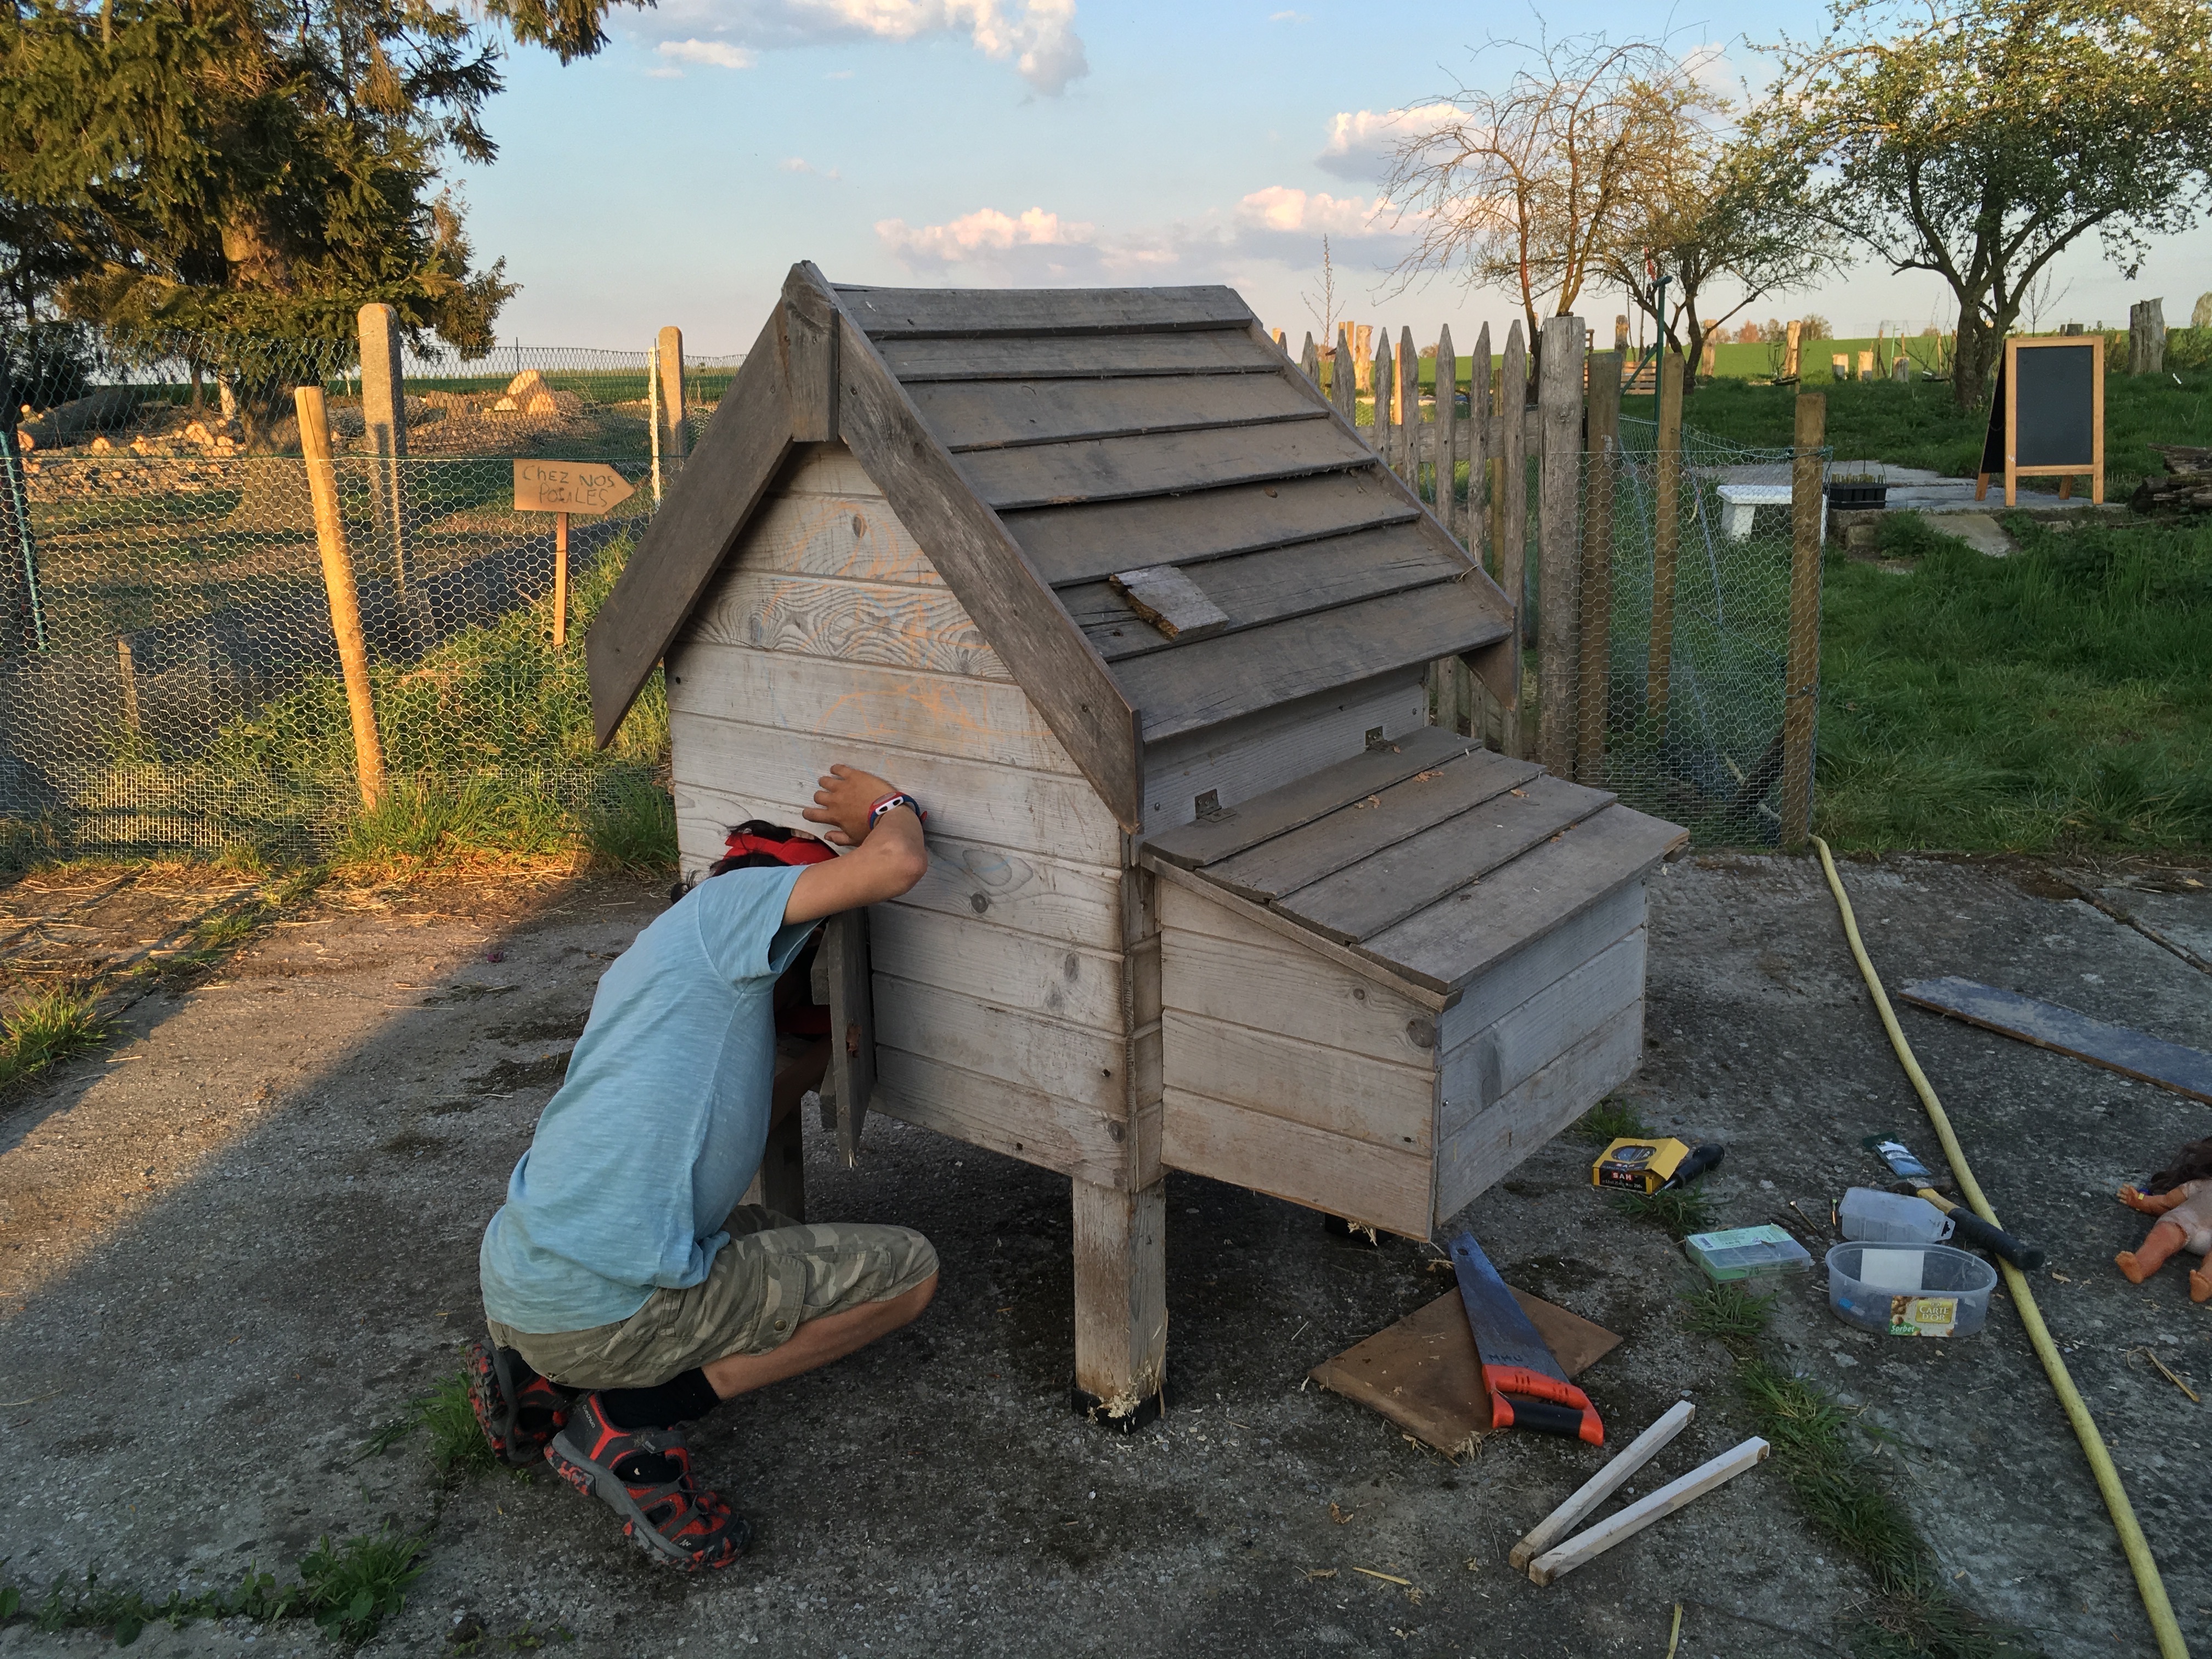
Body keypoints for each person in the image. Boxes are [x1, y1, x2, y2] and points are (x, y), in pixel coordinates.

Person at [467, 764, 938, 1571]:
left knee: (774, 1233)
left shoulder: (652, 968)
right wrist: (888, 807)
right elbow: (897, 863)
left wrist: (824, 1052)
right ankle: (627, 1422)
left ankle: (545, 1382)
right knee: (909, 1273)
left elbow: (730, 1124)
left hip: (524, 1287)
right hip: (605, 1312)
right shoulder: (734, 905)